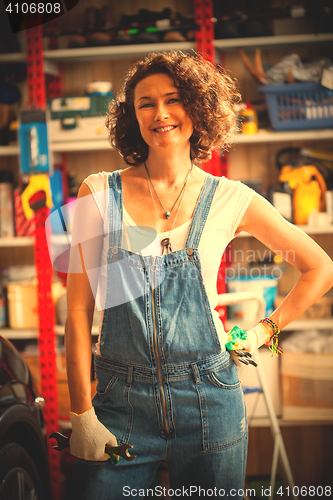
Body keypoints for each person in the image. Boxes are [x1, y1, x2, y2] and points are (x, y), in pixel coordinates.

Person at [65, 51, 333, 500]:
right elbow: (77, 310)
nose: (161, 113)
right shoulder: (96, 193)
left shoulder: (232, 199)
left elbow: (320, 267)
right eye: (145, 103)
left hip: (209, 399)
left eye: (174, 99)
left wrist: (263, 331)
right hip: (121, 402)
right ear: (132, 117)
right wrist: (80, 415)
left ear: (198, 107)